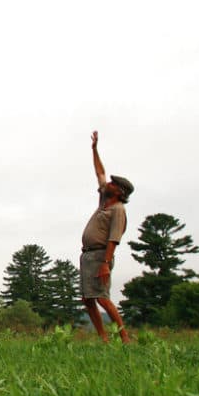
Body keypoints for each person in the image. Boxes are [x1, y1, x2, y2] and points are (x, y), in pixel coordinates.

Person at [81, 131, 134, 343]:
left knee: (102, 297)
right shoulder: (105, 199)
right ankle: (104, 337)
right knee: (87, 299)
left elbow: (114, 238)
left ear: (120, 192)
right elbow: (99, 173)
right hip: (88, 256)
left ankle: (125, 338)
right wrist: (94, 150)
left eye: (113, 184)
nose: (108, 183)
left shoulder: (118, 210)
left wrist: (105, 263)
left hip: (101, 256)